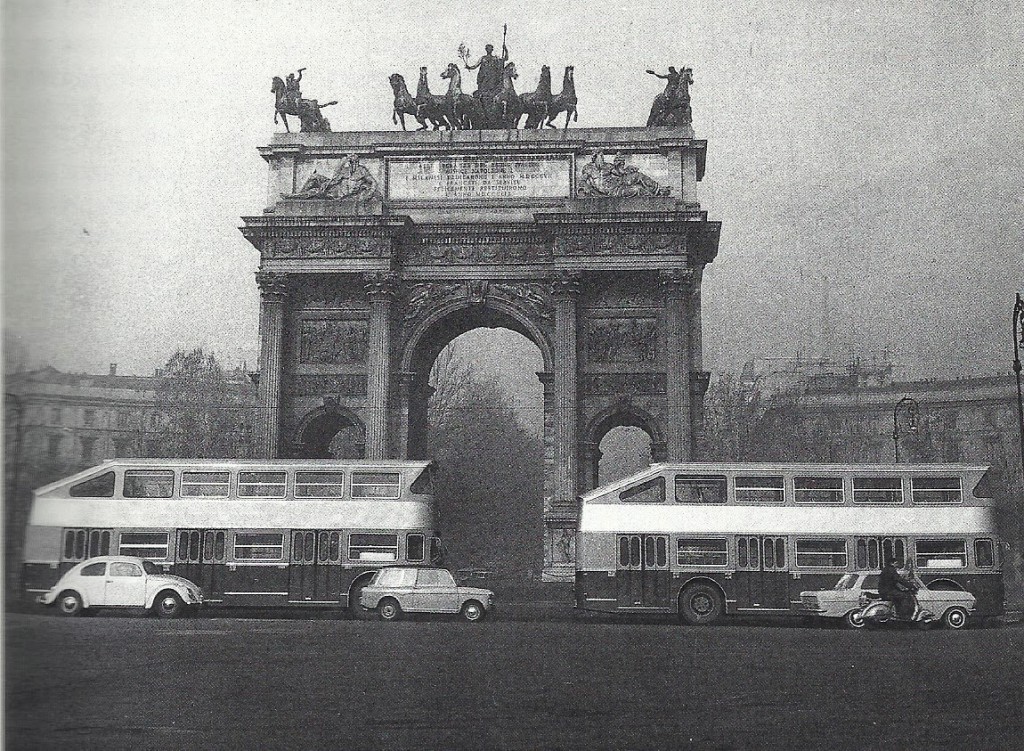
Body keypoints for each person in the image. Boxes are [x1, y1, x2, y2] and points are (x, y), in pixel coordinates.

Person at [878, 555, 918, 620]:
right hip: (888, 591)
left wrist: (903, 588)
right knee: (905, 596)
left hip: (885, 590)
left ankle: (898, 613)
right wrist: (911, 585)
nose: (897, 564)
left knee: (900, 595)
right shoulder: (891, 570)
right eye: (896, 563)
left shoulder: (887, 569)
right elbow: (899, 579)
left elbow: (893, 582)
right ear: (891, 563)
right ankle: (903, 614)